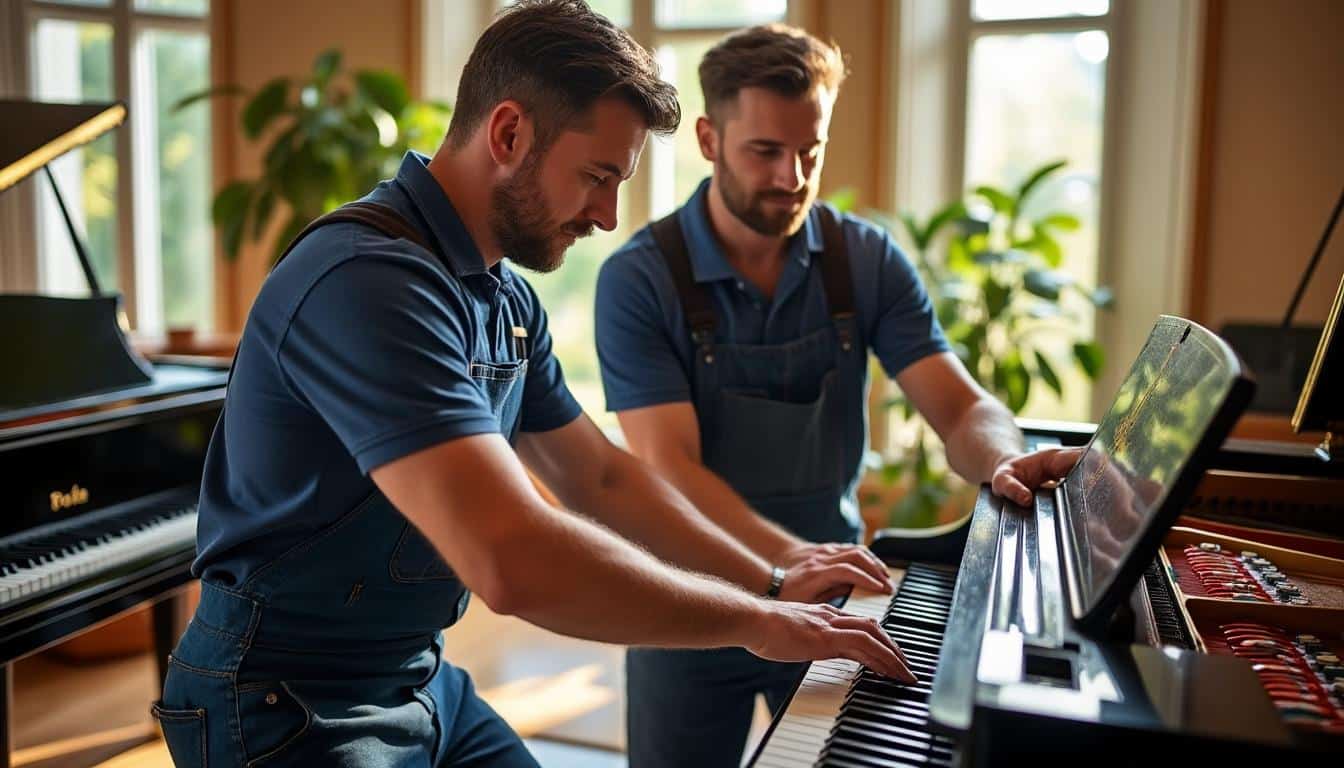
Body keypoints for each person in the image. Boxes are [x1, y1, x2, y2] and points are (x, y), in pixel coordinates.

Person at [152, 4, 917, 767]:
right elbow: (510, 558)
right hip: (284, 699)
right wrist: (754, 619)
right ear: (509, 133)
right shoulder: (367, 282)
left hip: (418, 678)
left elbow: (602, 475)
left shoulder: (504, 299)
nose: (609, 215)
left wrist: (773, 578)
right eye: (597, 176)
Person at [594, 24, 1082, 767]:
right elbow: (671, 472)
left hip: (833, 605)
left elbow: (960, 407)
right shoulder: (639, 280)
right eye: (766, 151)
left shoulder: (865, 259)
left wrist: (1004, 460)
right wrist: (787, 567)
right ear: (707, 138)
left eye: (810, 151)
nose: (793, 175)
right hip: (688, 608)